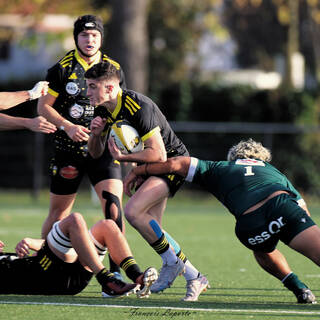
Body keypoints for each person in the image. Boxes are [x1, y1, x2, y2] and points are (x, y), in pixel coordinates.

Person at [123, 138, 319, 304]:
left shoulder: (220, 167)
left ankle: (299, 288)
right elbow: (303, 210)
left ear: (234, 158)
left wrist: (140, 171)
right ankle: (301, 289)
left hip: (249, 226)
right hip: (282, 206)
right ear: (261, 159)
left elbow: (176, 164)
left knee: (263, 251)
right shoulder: (273, 171)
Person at [86, 61, 208, 302]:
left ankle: (170, 262)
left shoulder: (137, 106)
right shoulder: (101, 110)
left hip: (172, 164)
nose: (87, 92)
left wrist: (125, 160)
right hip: (149, 167)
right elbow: (95, 152)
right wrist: (95, 134)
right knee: (153, 228)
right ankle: (194, 276)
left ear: (110, 88)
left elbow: (159, 154)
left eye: (92, 87)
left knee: (131, 212)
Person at [37, 15, 126, 277]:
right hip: (69, 152)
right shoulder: (61, 68)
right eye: (85, 35)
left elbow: (121, 105)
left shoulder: (113, 67)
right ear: (77, 38)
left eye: (95, 35)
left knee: (113, 207)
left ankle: (117, 272)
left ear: (101, 38)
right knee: (58, 213)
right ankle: (46, 265)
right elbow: (43, 108)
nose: (90, 40)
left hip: (103, 149)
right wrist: (68, 126)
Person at [0, 211, 157, 297]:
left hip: (54, 269)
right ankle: (106, 279)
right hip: (48, 277)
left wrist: (29, 242)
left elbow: (43, 249)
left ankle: (137, 276)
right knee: (74, 220)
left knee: (106, 226)